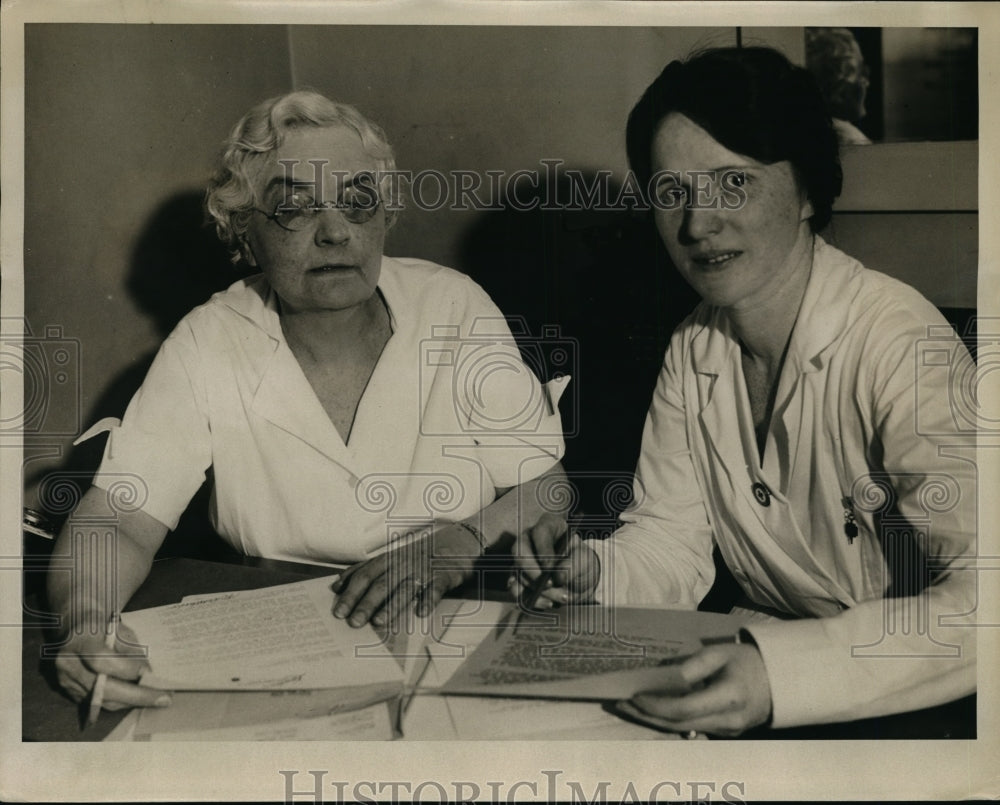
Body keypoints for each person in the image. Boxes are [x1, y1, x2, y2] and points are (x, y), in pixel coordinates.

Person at [48, 91, 568, 712]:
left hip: (459, 613)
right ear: (244, 231)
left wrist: (457, 543)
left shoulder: (451, 306)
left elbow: (548, 488)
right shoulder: (210, 337)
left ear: (384, 218)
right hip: (282, 634)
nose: (334, 233)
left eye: (358, 203)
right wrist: (84, 622)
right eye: (294, 208)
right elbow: (122, 516)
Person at [513, 46, 976, 735]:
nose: (698, 224)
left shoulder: (899, 341)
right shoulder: (692, 345)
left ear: (811, 191)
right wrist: (592, 572)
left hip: (923, 694)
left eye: (734, 183)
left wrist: (781, 675)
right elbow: (671, 542)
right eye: (673, 193)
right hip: (763, 668)